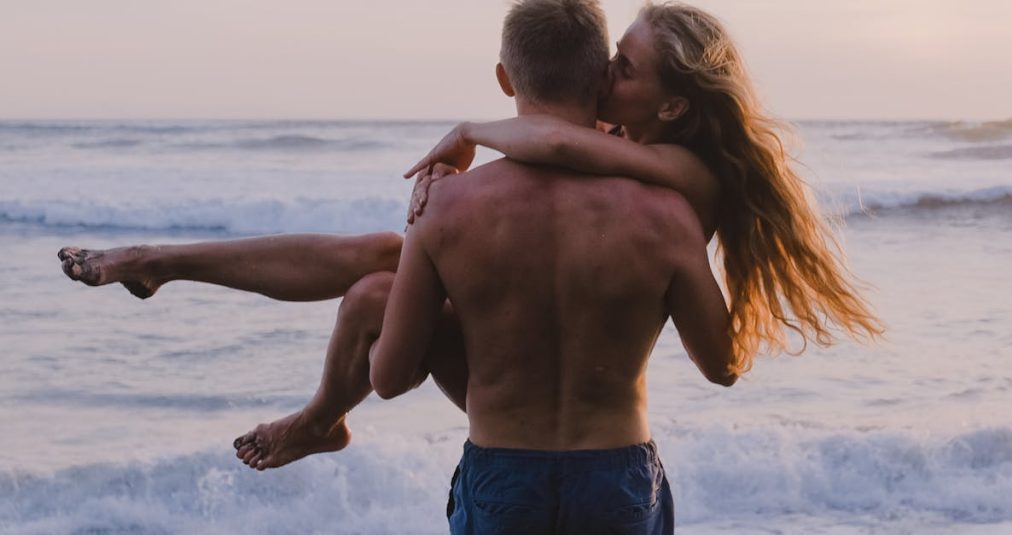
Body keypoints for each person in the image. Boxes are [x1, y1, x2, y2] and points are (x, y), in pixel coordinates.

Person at [58, 0, 883, 471]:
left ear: (672, 106)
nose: (607, 76)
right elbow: (556, 144)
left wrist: (469, 127)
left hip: (521, 423)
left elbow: (554, 140)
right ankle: (162, 263)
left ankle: (305, 407)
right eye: (612, 60)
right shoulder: (642, 161)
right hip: (596, 435)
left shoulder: (682, 177)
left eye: (624, 69)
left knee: (384, 277)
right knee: (382, 260)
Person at [368, 1, 729, 531]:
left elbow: (390, 378)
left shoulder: (443, 206)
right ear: (602, 74)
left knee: (365, 277)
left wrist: (370, 320)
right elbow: (722, 365)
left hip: (503, 477)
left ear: (504, 78)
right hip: (617, 477)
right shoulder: (668, 214)